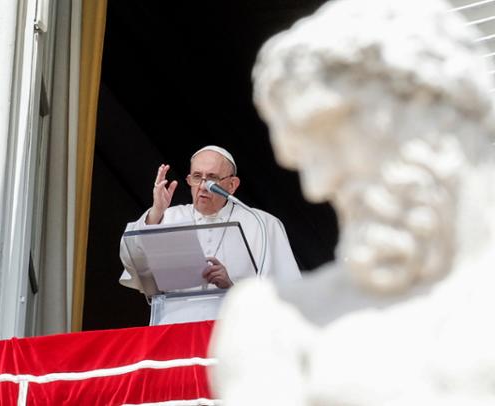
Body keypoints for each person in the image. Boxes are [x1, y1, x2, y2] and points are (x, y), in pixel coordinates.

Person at [210, 0, 495, 404]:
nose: (318, 186)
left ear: (428, 108)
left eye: (333, 137)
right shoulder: (275, 326)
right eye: (304, 157)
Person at [119, 145, 300, 293]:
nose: (204, 186)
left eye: (212, 178)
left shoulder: (262, 223)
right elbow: (132, 261)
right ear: (189, 179)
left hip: (232, 327)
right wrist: (156, 211)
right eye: (197, 177)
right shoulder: (166, 218)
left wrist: (231, 287)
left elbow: (288, 291)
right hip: (176, 323)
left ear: (232, 185)